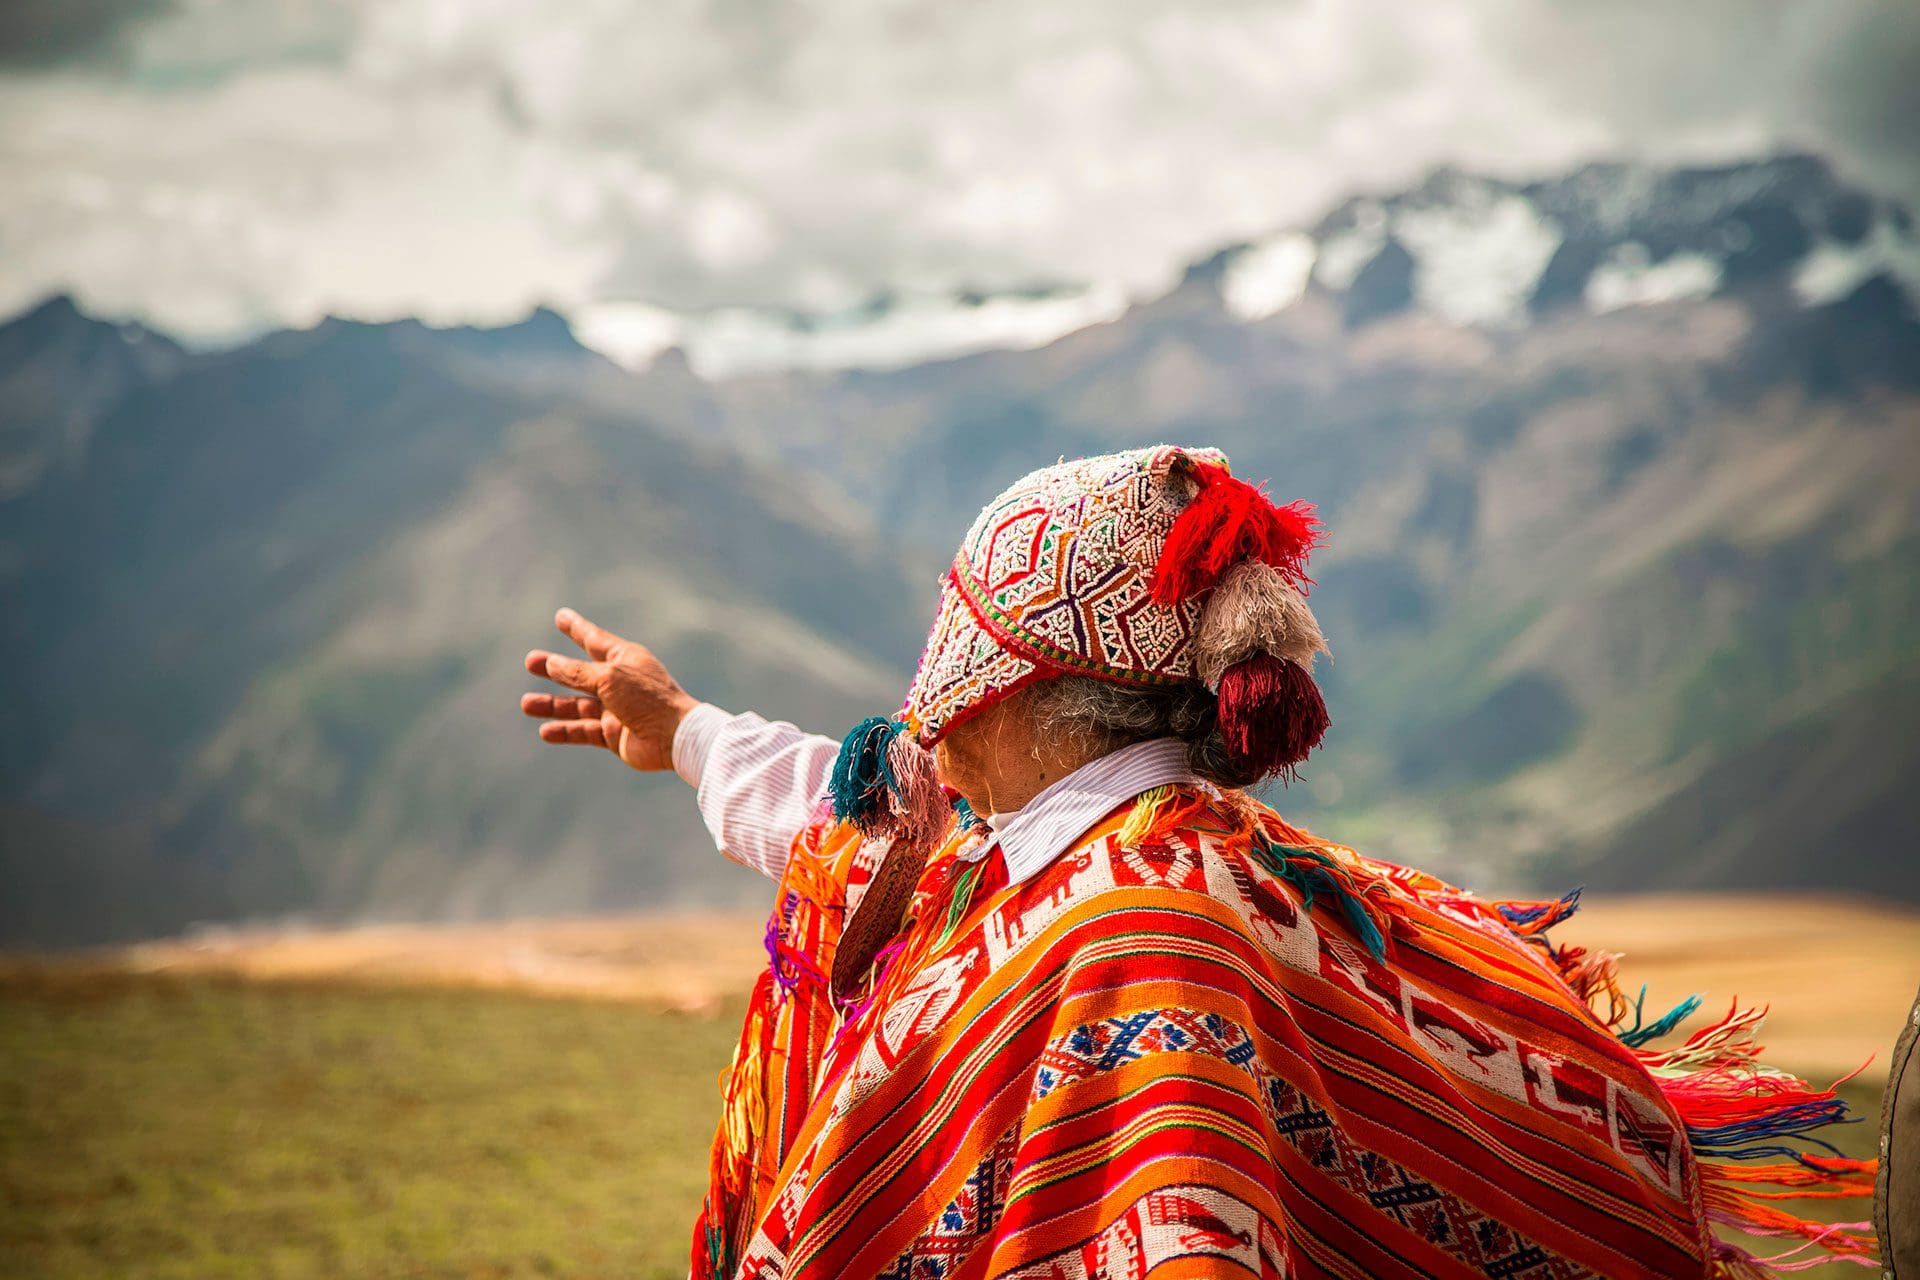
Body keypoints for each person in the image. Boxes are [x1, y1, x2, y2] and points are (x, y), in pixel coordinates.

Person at [523, 445, 1878, 1279]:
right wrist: (689, 732)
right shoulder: (1203, 859)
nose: (921, 708)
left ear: (1004, 689)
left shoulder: (1137, 938)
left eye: (949, 646)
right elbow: (878, 822)